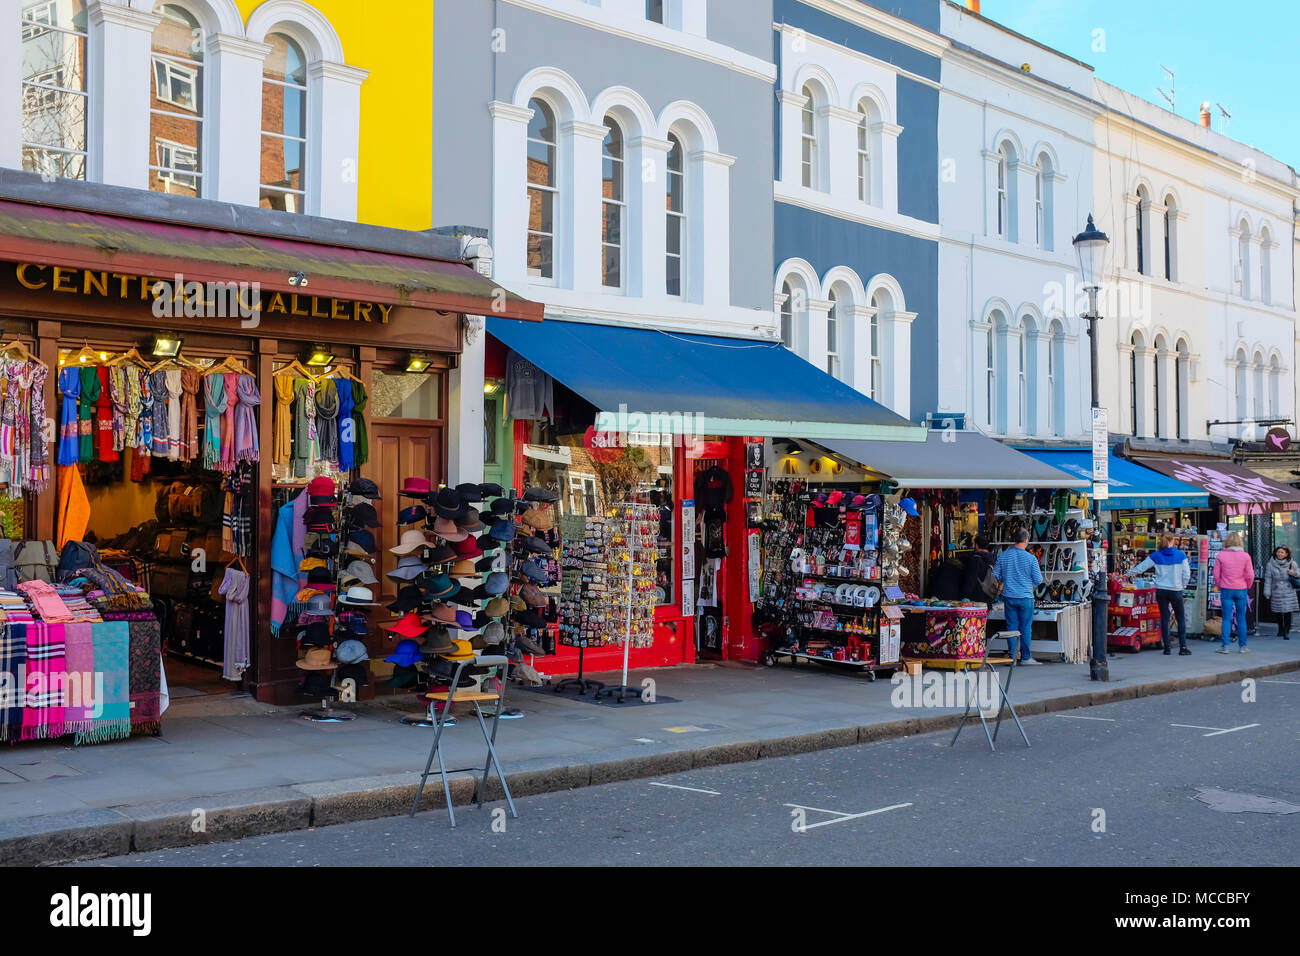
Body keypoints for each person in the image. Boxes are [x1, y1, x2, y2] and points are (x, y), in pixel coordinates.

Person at [1127, 531, 1191, 656]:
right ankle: (1183, 647)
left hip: (1161, 590)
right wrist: (1183, 585)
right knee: (1180, 618)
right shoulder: (1180, 555)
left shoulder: (1156, 555)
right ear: (1172, 541)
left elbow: (1142, 567)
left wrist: (1128, 573)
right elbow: (1186, 574)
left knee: (1165, 617)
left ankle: (1166, 647)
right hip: (1176, 590)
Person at [992, 528, 1043, 664]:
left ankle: (1012, 657)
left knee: (1011, 627)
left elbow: (995, 575)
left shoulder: (1003, 556)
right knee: (1025, 627)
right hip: (1026, 597)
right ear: (1026, 540)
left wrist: (1007, 577)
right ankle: (1025, 657)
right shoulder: (1031, 558)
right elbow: (1038, 580)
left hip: (1009, 597)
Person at [1212, 532, 1255, 654]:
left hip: (1226, 588)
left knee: (1226, 618)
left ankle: (1225, 646)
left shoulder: (1221, 555)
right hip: (1241, 588)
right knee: (1241, 618)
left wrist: (1220, 584)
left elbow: (1216, 574)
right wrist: (1248, 585)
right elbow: (1250, 575)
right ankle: (1243, 646)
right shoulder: (1246, 556)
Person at [1262, 545, 1299, 640]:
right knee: (1278, 611)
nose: (1279, 554)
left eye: (1282, 552)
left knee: (1287, 611)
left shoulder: (1292, 563)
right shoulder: (1270, 564)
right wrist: (1267, 592)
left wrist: (1293, 573)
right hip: (1276, 590)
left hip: (1288, 590)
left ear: (1286, 554)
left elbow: (1298, 573)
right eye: (1278, 552)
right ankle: (1280, 629)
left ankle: (1287, 630)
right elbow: (1268, 578)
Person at [963, 536, 996, 606]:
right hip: (989, 595)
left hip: (976, 598)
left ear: (977, 545)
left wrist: (965, 596)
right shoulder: (993, 559)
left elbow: (970, 579)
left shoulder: (975, 559)